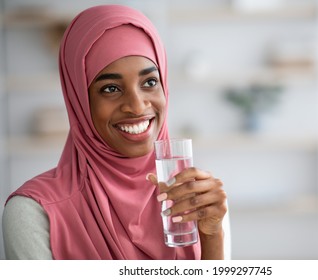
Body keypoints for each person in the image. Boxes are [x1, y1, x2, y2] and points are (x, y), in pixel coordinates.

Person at [2, 4, 227, 260]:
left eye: (150, 82)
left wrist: (213, 236)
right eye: (110, 88)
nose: (137, 106)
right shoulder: (33, 212)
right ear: (79, 101)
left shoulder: (200, 198)